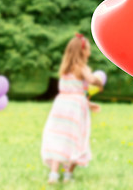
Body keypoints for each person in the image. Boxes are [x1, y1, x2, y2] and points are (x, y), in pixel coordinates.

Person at [41, 33, 102, 184]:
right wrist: (99, 81)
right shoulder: (81, 68)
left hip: (61, 107)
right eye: (88, 49)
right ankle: (68, 175)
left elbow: (72, 91)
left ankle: (54, 174)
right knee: (77, 138)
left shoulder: (65, 70)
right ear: (82, 51)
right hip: (75, 110)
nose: (89, 51)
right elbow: (90, 80)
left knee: (60, 137)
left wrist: (89, 104)